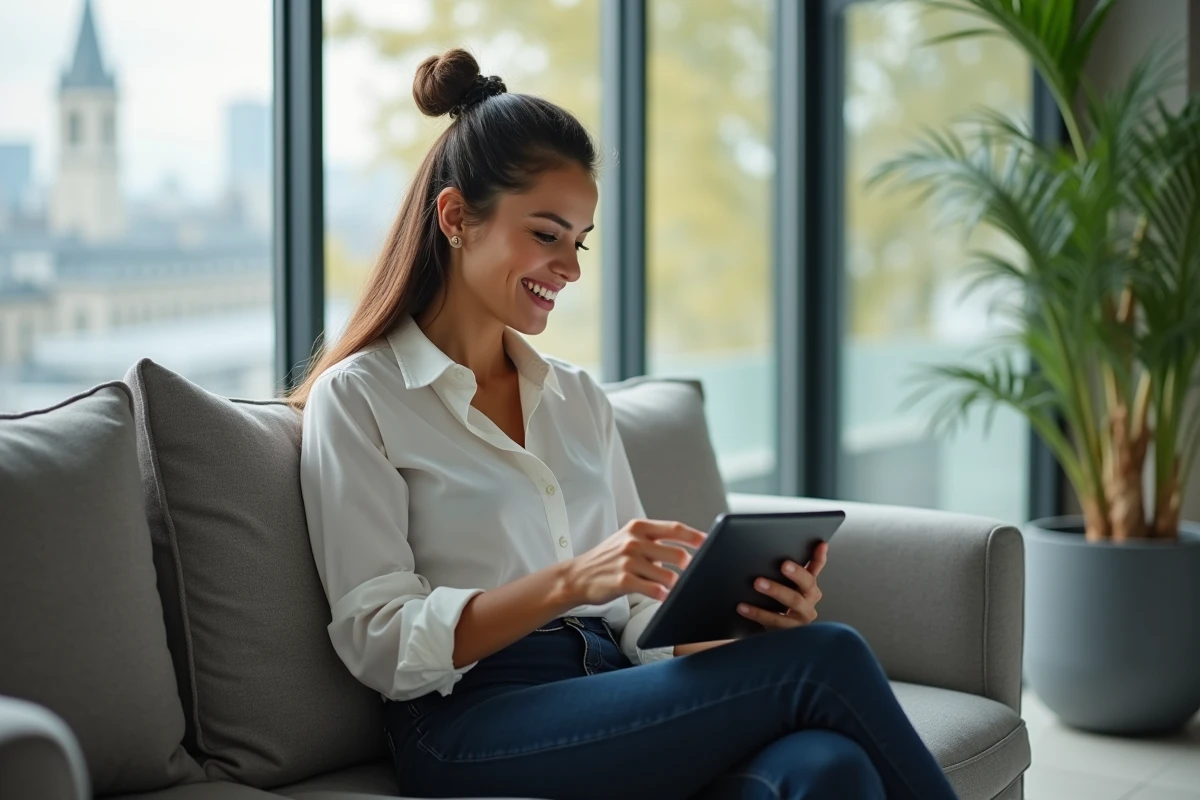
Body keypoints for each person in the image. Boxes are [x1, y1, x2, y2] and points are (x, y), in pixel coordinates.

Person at [292, 48, 958, 800]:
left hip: (609, 693)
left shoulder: (576, 396)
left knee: (826, 769)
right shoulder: (362, 397)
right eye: (546, 234)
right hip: (469, 721)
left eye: (579, 241)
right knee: (826, 659)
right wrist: (572, 579)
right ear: (455, 217)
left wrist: (747, 629)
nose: (570, 268)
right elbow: (379, 639)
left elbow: (641, 618)